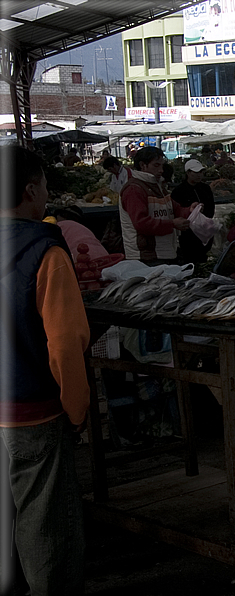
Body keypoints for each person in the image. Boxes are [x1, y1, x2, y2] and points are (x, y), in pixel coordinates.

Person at [0, 145, 90, 595]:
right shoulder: (46, 253)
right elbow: (66, 345)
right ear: (32, 189)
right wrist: (77, 412)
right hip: (31, 411)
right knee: (44, 524)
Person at [119, 146, 195, 265]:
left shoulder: (157, 186)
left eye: (162, 165)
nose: (161, 170)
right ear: (143, 165)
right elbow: (141, 223)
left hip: (164, 252)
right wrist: (173, 224)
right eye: (156, 165)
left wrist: (190, 210)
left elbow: (174, 208)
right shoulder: (134, 189)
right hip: (146, 256)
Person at [171, 159, 216, 266]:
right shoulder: (179, 191)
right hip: (188, 232)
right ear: (188, 173)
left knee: (203, 257)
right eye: (196, 173)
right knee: (190, 258)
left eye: (201, 172)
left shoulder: (205, 188)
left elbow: (211, 206)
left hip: (205, 229)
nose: (199, 175)